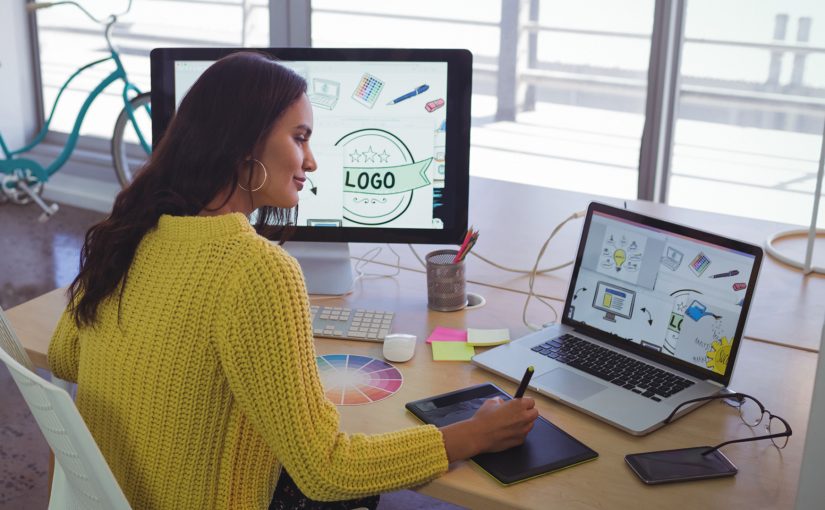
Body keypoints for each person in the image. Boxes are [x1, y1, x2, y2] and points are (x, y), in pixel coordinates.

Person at [48, 51, 538, 510]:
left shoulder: (129, 232)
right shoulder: (256, 269)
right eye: (300, 137)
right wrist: (471, 435)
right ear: (245, 144)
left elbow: (67, 356)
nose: (311, 161)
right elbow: (325, 470)